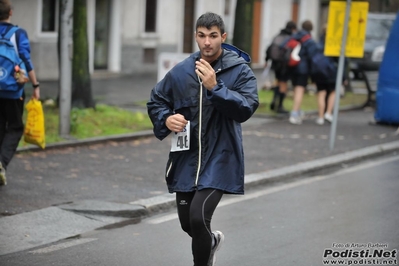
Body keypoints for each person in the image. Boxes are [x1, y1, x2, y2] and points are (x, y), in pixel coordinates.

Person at [147, 12, 258, 266]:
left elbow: (247, 108)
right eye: (201, 36)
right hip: (186, 157)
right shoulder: (182, 71)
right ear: (196, 36)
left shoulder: (239, 70)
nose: (207, 42)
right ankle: (213, 242)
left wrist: (215, 87)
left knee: (198, 218)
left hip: (221, 156)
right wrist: (166, 118)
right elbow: (156, 100)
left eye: (213, 36)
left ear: (223, 37)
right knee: (189, 225)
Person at [0, 0, 40, 186]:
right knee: (15, 127)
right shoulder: (18, 34)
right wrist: (35, 85)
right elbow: (26, 59)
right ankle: (1, 163)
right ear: (11, 13)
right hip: (13, 90)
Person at [288, 20, 318, 125]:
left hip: (292, 66)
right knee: (300, 90)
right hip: (303, 68)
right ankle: (294, 114)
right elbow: (312, 57)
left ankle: (297, 110)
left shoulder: (295, 36)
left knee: (296, 89)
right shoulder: (309, 40)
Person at [265, 21, 297, 114]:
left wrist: (266, 60)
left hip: (275, 63)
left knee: (277, 82)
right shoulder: (290, 38)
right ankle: (280, 106)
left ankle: (274, 100)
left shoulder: (277, 36)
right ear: (293, 29)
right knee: (283, 84)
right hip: (285, 65)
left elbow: (269, 48)